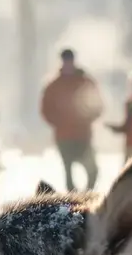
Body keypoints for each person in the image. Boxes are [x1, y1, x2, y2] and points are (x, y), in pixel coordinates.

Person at [40, 48, 104, 191]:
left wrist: (88, 117)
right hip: (64, 137)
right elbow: (45, 109)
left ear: (74, 61)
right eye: (65, 60)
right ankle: (73, 202)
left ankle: (87, 195)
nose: (68, 63)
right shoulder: (54, 85)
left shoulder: (85, 81)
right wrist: (57, 122)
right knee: (68, 174)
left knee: (93, 171)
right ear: (62, 62)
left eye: (70, 60)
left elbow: (98, 104)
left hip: (83, 135)